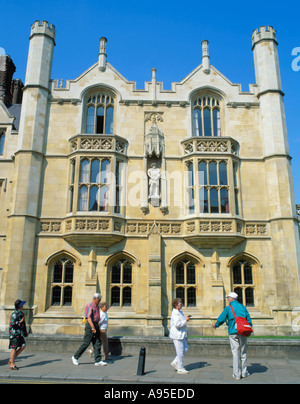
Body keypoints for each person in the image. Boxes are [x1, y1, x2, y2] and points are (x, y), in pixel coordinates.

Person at [212, 292, 253, 380]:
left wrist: (216, 325)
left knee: (235, 353)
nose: (227, 299)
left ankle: (236, 374)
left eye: (228, 298)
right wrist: (249, 330)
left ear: (231, 298)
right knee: (243, 352)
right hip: (243, 331)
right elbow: (248, 319)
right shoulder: (242, 307)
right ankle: (244, 372)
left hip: (233, 332)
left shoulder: (228, 308)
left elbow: (221, 319)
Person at [72, 293, 107, 366]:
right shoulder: (89, 305)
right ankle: (75, 357)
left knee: (97, 342)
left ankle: (98, 360)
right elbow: (88, 317)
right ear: (95, 298)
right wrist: (92, 327)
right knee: (86, 343)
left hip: (96, 324)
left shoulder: (97, 306)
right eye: (99, 300)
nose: (99, 301)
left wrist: (96, 326)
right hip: (90, 325)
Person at [169, 297, 191, 374]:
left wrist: (186, 318)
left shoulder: (180, 312)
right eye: (180, 303)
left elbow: (181, 321)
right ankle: (180, 368)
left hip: (181, 334)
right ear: (176, 305)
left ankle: (175, 362)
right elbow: (177, 324)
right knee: (180, 352)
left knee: (185, 349)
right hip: (177, 335)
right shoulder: (175, 313)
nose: (181, 304)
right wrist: (186, 320)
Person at [8, 299, 28, 370]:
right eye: (22, 304)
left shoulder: (21, 313)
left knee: (23, 346)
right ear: (19, 306)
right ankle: (12, 365)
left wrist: (25, 332)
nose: (23, 305)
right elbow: (12, 324)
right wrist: (20, 322)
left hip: (20, 333)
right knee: (14, 348)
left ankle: (11, 360)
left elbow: (23, 324)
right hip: (14, 334)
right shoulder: (14, 314)